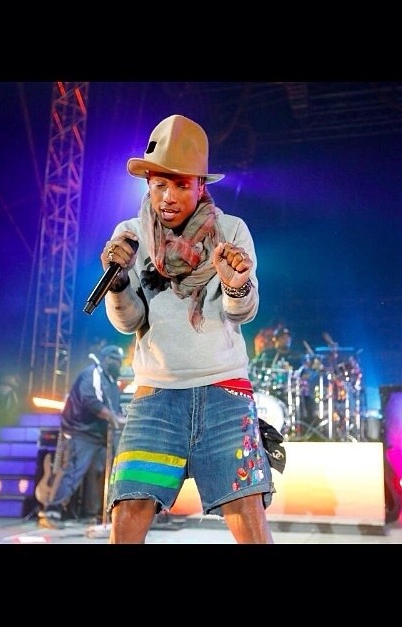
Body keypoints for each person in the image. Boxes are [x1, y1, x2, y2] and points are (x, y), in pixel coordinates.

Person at [98, 114, 276, 544]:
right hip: (155, 396)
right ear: (148, 184)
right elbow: (128, 322)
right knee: (129, 510)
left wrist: (236, 285)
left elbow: (243, 313)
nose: (168, 196)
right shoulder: (130, 236)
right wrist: (117, 285)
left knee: (246, 513)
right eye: (160, 184)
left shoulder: (231, 231)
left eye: (180, 184)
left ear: (200, 185)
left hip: (223, 393)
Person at [37, 344, 125, 529]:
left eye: (120, 361)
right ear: (106, 359)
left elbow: (115, 409)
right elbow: (90, 401)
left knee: (98, 474)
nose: (119, 364)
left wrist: (122, 418)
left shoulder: (110, 382)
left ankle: (90, 514)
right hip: (82, 433)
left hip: (100, 436)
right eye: (116, 360)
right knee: (73, 472)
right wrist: (113, 417)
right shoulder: (92, 374)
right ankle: (52, 511)